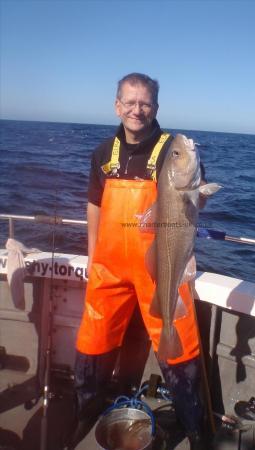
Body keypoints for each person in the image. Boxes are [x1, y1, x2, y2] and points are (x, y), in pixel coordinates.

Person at [64, 73, 207, 450]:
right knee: (92, 342)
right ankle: (86, 414)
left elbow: (193, 199)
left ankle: (195, 427)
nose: (136, 110)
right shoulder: (102, 154)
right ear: (117, 105)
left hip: (158, 264)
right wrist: (93, 257)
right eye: (129, 102)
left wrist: (195, 188)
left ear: (155, 108)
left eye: (144, 103)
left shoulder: (169, 149)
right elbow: (94, 206)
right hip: (108, 267)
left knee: (181, 345)